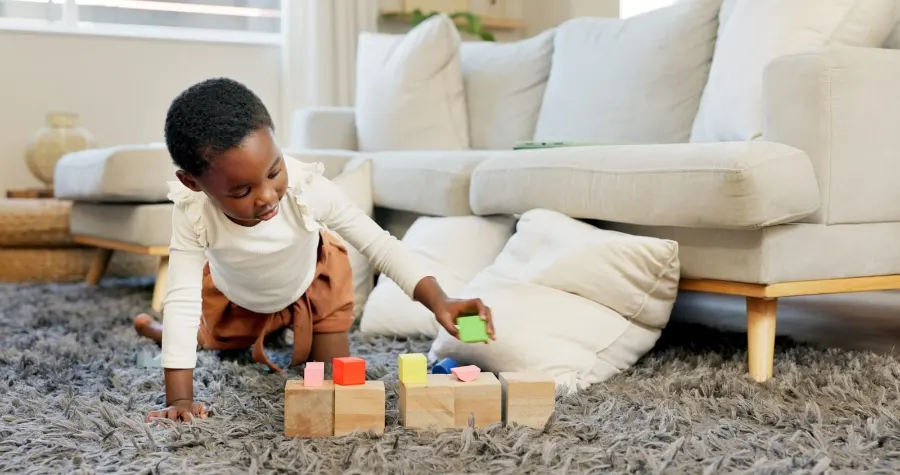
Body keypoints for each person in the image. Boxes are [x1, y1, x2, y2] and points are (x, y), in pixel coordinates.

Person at [133, 77, 495, 423]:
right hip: (237, 293)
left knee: (330, 385)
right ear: (193, 183)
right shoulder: (192, 212)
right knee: (210, 338)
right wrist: (179, 400)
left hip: (311, 286)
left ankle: (273, 325)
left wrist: (440, 301)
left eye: (275, 171)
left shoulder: (308, 189)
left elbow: (379, 245)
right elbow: (182, 299)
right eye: (242, 192)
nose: (267, 196)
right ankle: (168, 332)